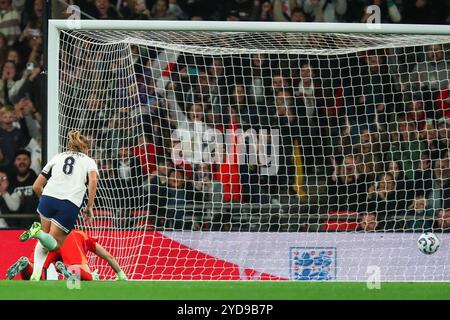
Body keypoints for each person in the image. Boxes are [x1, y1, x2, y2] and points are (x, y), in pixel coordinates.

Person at [18, 130, 98, 281]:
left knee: (44, 242)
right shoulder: (89, 161)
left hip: (47, 198)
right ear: (85, 148)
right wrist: (89, 206)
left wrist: (45, 201)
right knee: (55, 245)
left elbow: (36, 186)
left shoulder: (57, 157)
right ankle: (38, 233)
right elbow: (93, 181)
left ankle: (35, 274)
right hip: (68, 204)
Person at [6, 230, 127, 281]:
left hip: (50, 238)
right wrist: (121, 275)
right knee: (88, 277)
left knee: (34, 273)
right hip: (69, 240)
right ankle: (70, 270)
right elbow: (108, 256)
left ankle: (26, 265)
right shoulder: (82, 236)